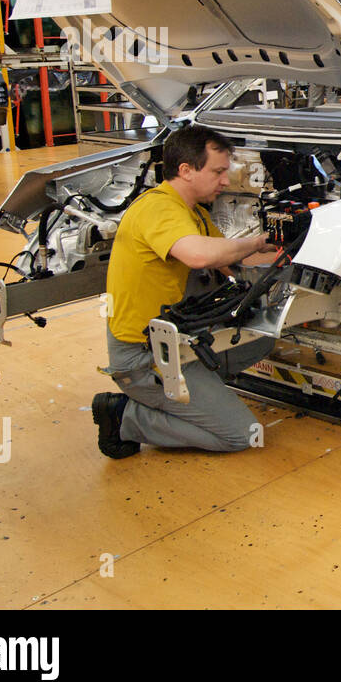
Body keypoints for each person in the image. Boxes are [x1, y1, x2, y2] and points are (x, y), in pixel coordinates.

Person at [93, 124, 279, 459]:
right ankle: (126, 416)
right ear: (186, 170)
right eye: (218, 171)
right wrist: (254, 241)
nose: (225, 181)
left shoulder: (190, 213)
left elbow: (230, 255)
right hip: (140, 357)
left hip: (175, 342)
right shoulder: (158, 208)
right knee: (244, 435)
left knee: (262, 338)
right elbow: (200, 255)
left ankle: (196, 396)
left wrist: (286, 246)